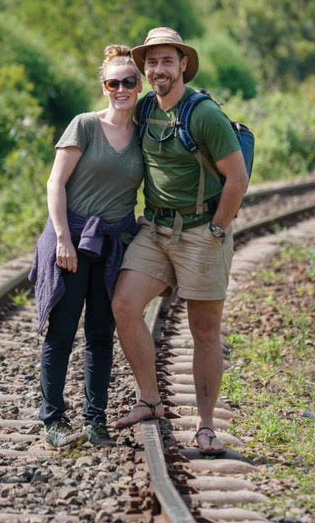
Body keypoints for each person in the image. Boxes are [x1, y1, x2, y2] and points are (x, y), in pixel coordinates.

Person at [111, 27, 249, 455]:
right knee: (124, 305)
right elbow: (113, 120)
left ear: (183, 64)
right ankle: (151, 400)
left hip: (200, 231)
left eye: (167, 60)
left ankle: (206, 427)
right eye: (151, 62)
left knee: (203, 332)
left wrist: (217, 228)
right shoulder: (147, 105)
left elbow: (237, 177)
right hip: (155, 229)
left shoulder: (203, 114)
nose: (158, 69)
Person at [29, 45, 143, 448]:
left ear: (139, 84)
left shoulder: (143, 133)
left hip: (112, 245)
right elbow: (55, 183)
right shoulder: (85, 125)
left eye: (129, 81)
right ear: (104, 86)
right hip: (72, 239)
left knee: (99, 334)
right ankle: (54, 422)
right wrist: (62, 238)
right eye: (114, 82)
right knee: (61, 333)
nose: (122, 89)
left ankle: (95, 422)